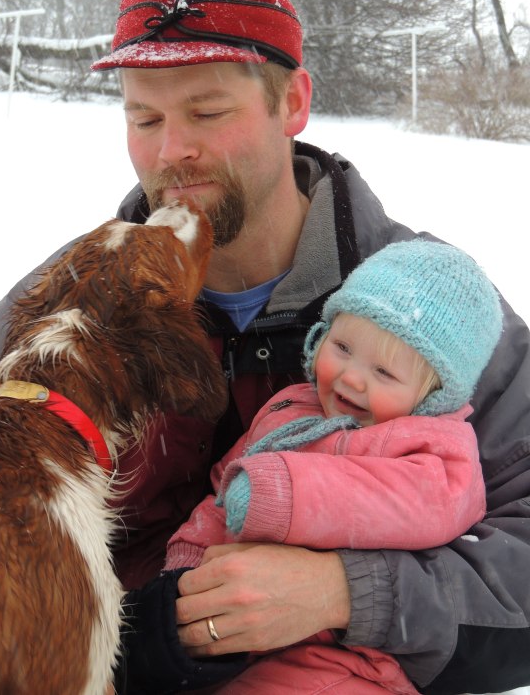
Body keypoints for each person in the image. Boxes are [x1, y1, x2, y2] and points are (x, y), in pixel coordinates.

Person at [0, 0, 530, 693]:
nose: (171, 152)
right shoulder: (61, 315)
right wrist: (127, 638)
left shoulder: (427, 310)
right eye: (144, 118)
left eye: (206, 112)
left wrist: (347, 592)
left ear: (292, 101)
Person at [123, 239, 501, 694]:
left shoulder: (433, 446)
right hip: (242, 634)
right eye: (342, 346)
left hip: (344, 660)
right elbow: (225, 493)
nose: (351, 376)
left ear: (432, 397)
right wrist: (185, 568)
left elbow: (428, 503)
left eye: (385, 373)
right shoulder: (289, 409)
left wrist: (284, 494)